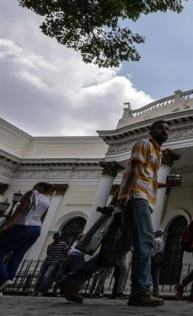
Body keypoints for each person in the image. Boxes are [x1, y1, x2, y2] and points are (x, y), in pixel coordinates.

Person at [58, 120, 181, 307]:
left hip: (145, 197)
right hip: (137, 196)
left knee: (118, 251)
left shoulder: (158, 152)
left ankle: (73, 280)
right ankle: (140, 290)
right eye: (160, 128)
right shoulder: (144, 144)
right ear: (151, 130)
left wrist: (167, 184)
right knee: (146, 241)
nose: (164, 131)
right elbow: (135, 169)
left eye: (167, 129)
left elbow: (148, 179)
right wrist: (125, 192)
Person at [0, 182, 53, 292]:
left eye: (36, 186)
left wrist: (6, 225)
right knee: (17, 256)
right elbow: (42, 218)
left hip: (23, 226)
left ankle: (3, 278)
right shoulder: (47, 200)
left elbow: (20, 211)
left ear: (41, 187)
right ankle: (6, 282)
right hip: (36, 229)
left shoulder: (31, 193)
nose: (34, 187)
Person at [32, 231, 68, 296]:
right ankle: (35, 291)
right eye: (57, 237)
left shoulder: (63, 244)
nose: (58, 238)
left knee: (46, 276)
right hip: (46, 261)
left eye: (59, 237)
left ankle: (41, 291)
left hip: (54, 262)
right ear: (54, 237)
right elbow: (48, 253)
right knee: (40, 276)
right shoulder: (50, 245)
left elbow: (65, 253)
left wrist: (62, 260)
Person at [151, 229, 165, 297]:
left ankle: (149, 289)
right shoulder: (162, 241)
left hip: (154, 259)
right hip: (159, 259)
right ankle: (156, 291)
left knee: (151, 275)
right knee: (156, 276)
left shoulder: (155, 240)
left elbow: (153, 250)